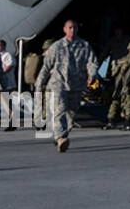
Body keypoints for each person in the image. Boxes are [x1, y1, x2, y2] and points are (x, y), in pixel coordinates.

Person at [36, 19, 99, 152]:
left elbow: (92, 62)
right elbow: (46, 66)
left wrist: (92, 75)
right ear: (64, 29)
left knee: (71, 111)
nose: (72, 30)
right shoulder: (57, 46)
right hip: (58, 83)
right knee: (60, 109)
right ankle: (60, 138)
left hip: (76, 84)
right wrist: (39, 83)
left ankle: (62, 134)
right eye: (70, 27)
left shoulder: (84, 46)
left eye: (74, 27)